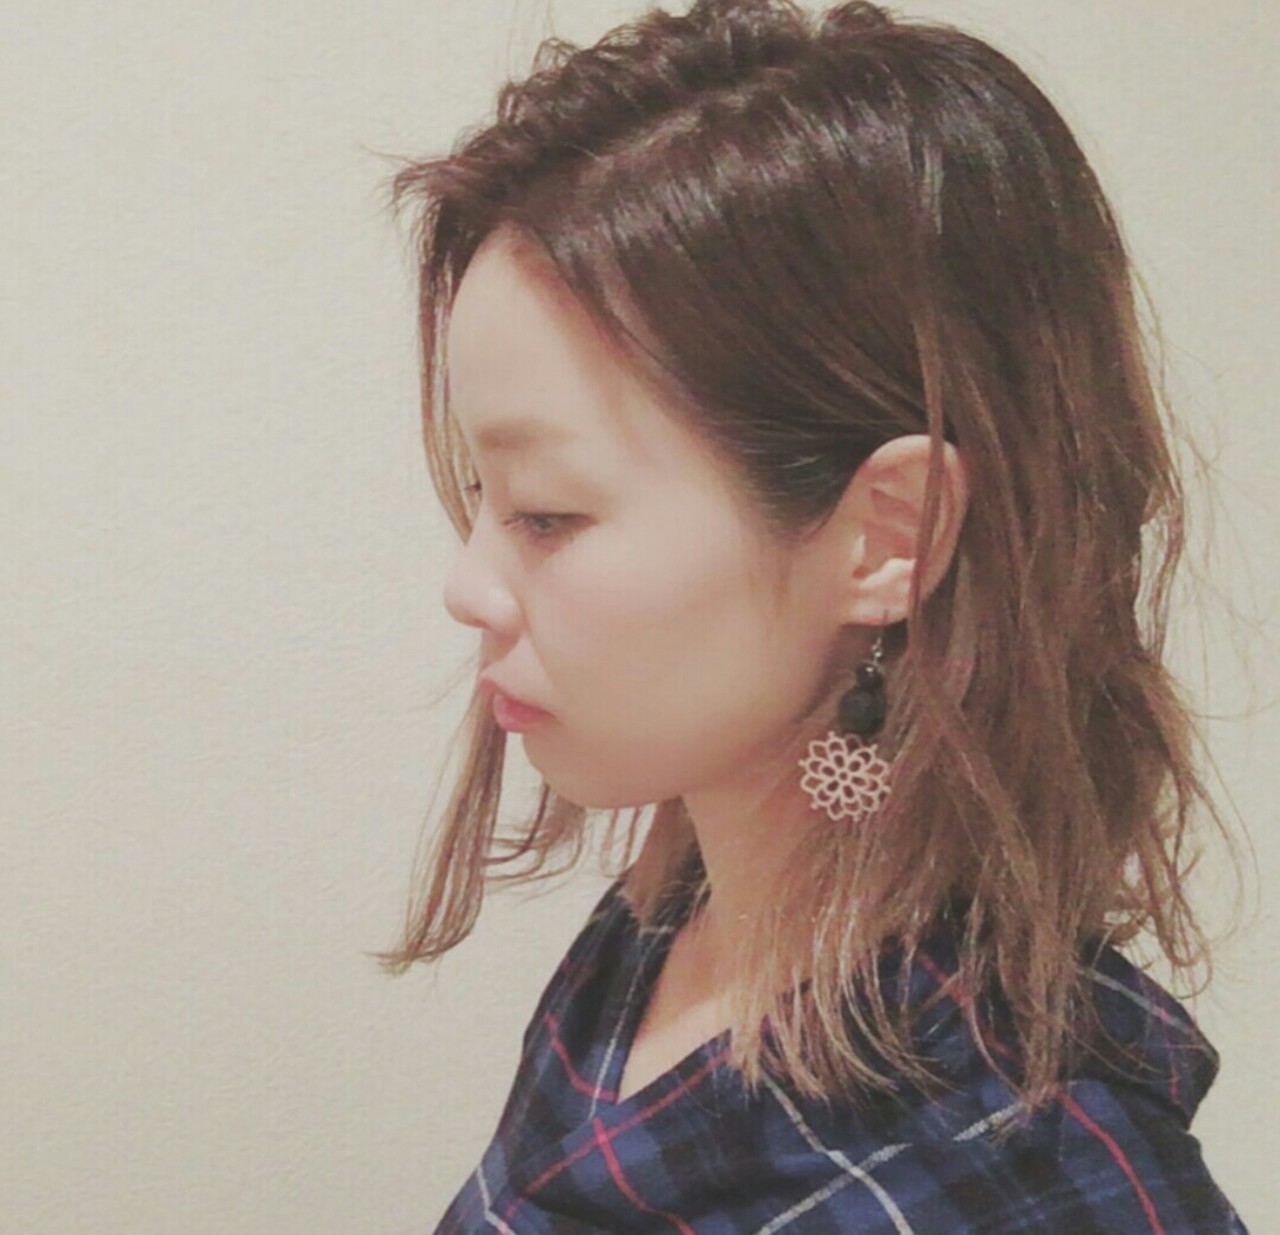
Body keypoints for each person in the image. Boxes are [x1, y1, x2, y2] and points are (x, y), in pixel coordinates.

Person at [380, 0, 1250, 1230]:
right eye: (480, 493)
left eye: (546, 512)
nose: (467, 585)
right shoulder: (670, 923)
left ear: (887, 534)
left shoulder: (1023, 1170)